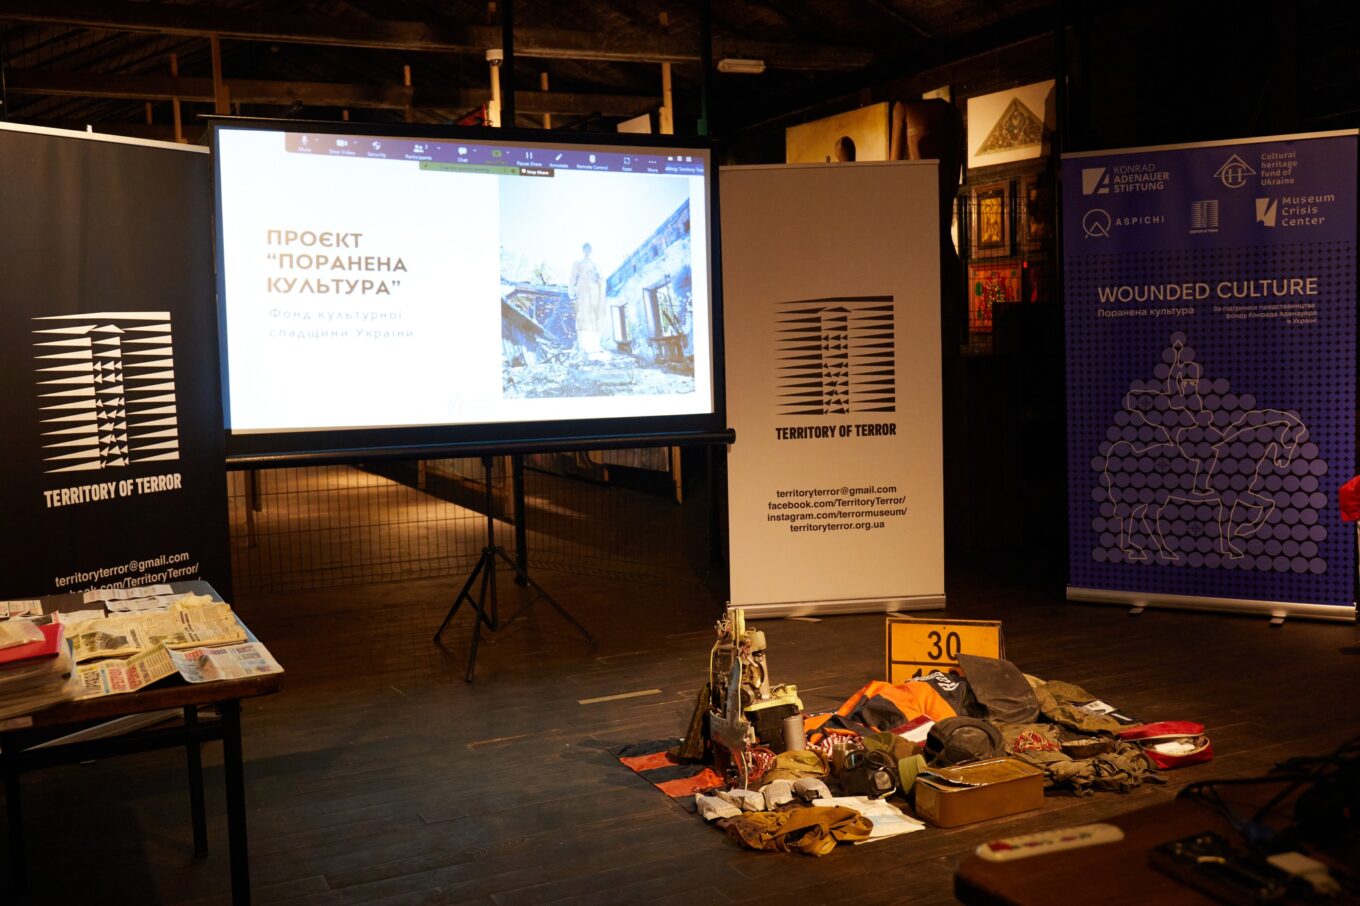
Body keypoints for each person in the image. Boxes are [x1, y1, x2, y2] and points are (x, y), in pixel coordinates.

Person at [569, 242, 605, 354]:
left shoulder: (594, 264)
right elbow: (573, 278)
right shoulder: (578, 263)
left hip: (593, 292)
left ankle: (595, 345)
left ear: (591, 250)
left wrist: (598, 278)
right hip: (583, 292)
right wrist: (571, 290)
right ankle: (583, 345)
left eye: (589, 249)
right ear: (583, 250)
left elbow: (600, 278)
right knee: (582, 316)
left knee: (594, 317)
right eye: (586, 249)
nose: (587, 251)